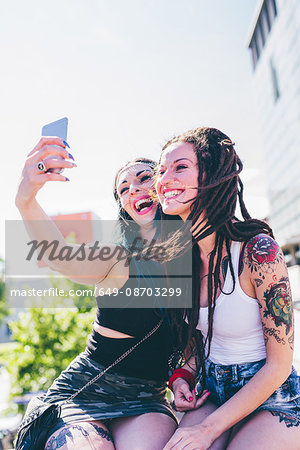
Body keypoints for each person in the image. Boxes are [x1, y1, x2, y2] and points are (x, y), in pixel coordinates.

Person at [15, 137, 207, 450]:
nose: (133, 188)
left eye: (145, 178)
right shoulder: (116, 257)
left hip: (147, 397)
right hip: (86, 391)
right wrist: (26, 199)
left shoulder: (199, 256)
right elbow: (58, 255)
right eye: (123, 188)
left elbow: (192, 333)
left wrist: (182, 375)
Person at [154, 127, 300, 450]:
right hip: (212, 390)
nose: (164, 178)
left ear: (211, 172)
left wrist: (207, 430)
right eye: (161, 170)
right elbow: (200, 338)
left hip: (271, 395)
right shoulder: (180, 260)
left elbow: (279, 366)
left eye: (180, 167)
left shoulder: (259, 253)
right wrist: (183, 377)